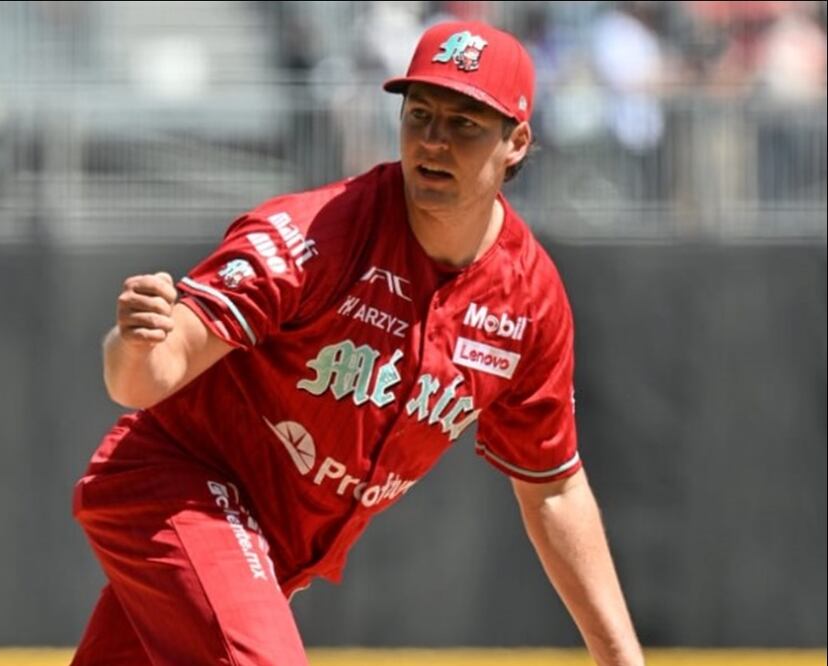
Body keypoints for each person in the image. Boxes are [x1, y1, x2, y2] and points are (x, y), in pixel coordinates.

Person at [71, 20, 644, 666]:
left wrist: (620, 656)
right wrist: (135, 339)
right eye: (419, 113)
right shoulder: (317, 234)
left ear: (516, 142)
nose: (433, 140)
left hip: (267, 549)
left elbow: (554, 488)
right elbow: (142, 380)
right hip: (178, 490)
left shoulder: (529, 299)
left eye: (463, 123)